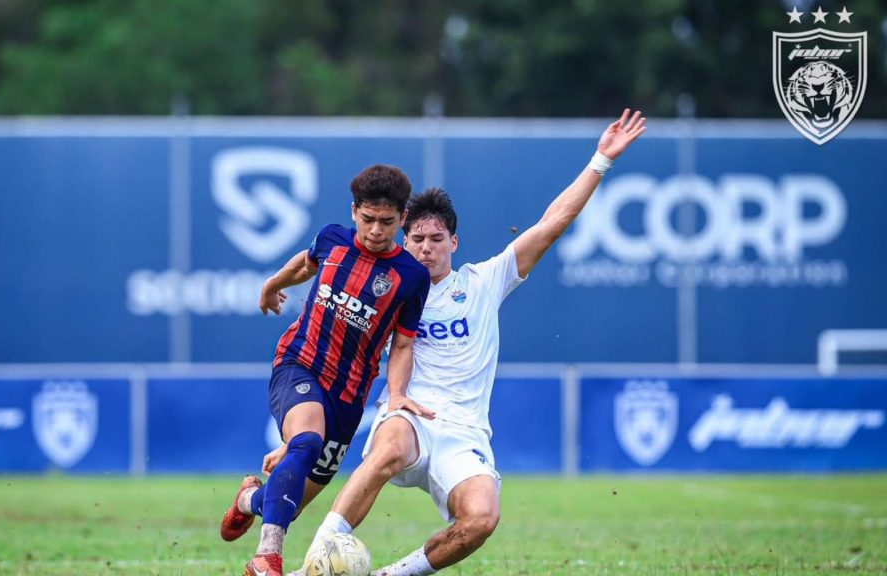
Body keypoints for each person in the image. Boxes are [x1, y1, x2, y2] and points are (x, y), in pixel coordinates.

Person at [284, 109, 647, 576]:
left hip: (465, 430)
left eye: (437, 238)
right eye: (416, 238)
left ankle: (390, 575)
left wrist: (601, 159)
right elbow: (331, 331)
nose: (426, 247)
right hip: (409, 413)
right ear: (402, 238)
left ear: (454, 242)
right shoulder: (386, 286)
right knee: (390, 447)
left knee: (482, 518)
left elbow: (553, 222)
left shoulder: (484, 281)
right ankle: (318, 561)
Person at [220, 164, 434, 576]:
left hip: (349, 396)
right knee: (306, 440)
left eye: (387, 222)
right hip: (299, 364)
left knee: (287, 502)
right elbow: (305, 263)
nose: (375, 230)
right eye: (368, 219)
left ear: (402, 219)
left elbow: (403, 342)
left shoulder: (411, 276)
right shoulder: (333, 238)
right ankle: (268, 558)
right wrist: (272, 284)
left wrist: (399, 392)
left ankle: (249, 499)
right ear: (354, 211)